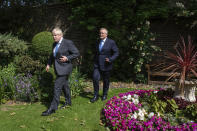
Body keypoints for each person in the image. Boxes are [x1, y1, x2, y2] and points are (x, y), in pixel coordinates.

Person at [42, 27, 79, 116]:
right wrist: (48, 64)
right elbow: (52, 55)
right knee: (65, 86)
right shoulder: (54, 44)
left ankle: (52, 108)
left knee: (57, 87)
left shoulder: (68, 43)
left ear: (60, 35)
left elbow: (76, 53)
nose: (53, 37)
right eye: (53, 35)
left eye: (55, 35)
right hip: (58, 69)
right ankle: (68, 102)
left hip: (65, 68)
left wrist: (67, 58)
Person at [90, 28, 119, 103]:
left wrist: (110, 59)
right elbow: (95, 52)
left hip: (106, 65)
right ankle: (95, 95)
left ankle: (104, 94)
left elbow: (116, 52)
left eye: (102, 33)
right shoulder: (97, 42)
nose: (101, 34)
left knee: (106, 80)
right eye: (100, 33)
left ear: (106, 34)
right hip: (97, 64)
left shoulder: (111, 42)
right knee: (95, 78)